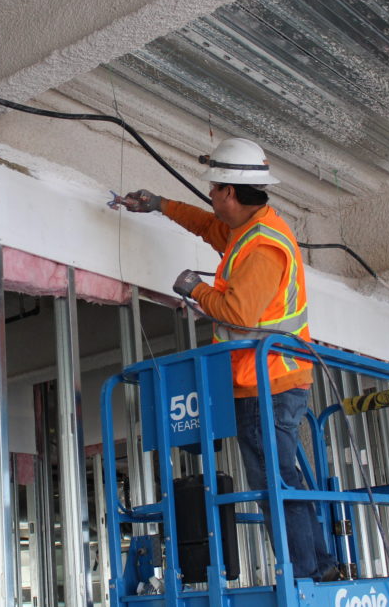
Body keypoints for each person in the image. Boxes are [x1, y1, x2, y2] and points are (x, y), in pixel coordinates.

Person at [120, 137, 340, 582]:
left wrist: (193, 288)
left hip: (268, 383)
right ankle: (319, 566)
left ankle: (304, 574)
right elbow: (207, 226)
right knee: (282, 480)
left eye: (215, 188)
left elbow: (238, 313)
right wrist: (160, 205)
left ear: (232, 193)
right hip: (267, 379)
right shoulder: (249, 228)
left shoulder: (261, 247)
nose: (211, 195)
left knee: (275, 484)